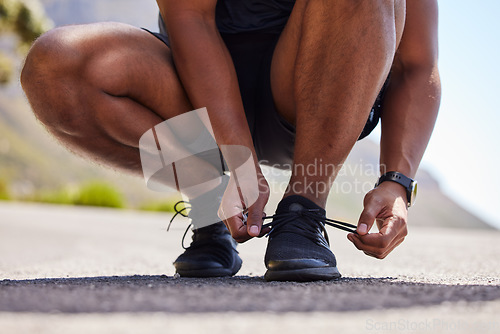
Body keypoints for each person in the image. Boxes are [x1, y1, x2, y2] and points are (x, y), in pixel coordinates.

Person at [20, 0, 440, 282]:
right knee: (55, 66)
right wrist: (235, 162)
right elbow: (190, 17)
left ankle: (303, 212)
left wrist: (398, 183)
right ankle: (211, 205)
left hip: (314, 97)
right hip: (194, 96)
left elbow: (415, 64)